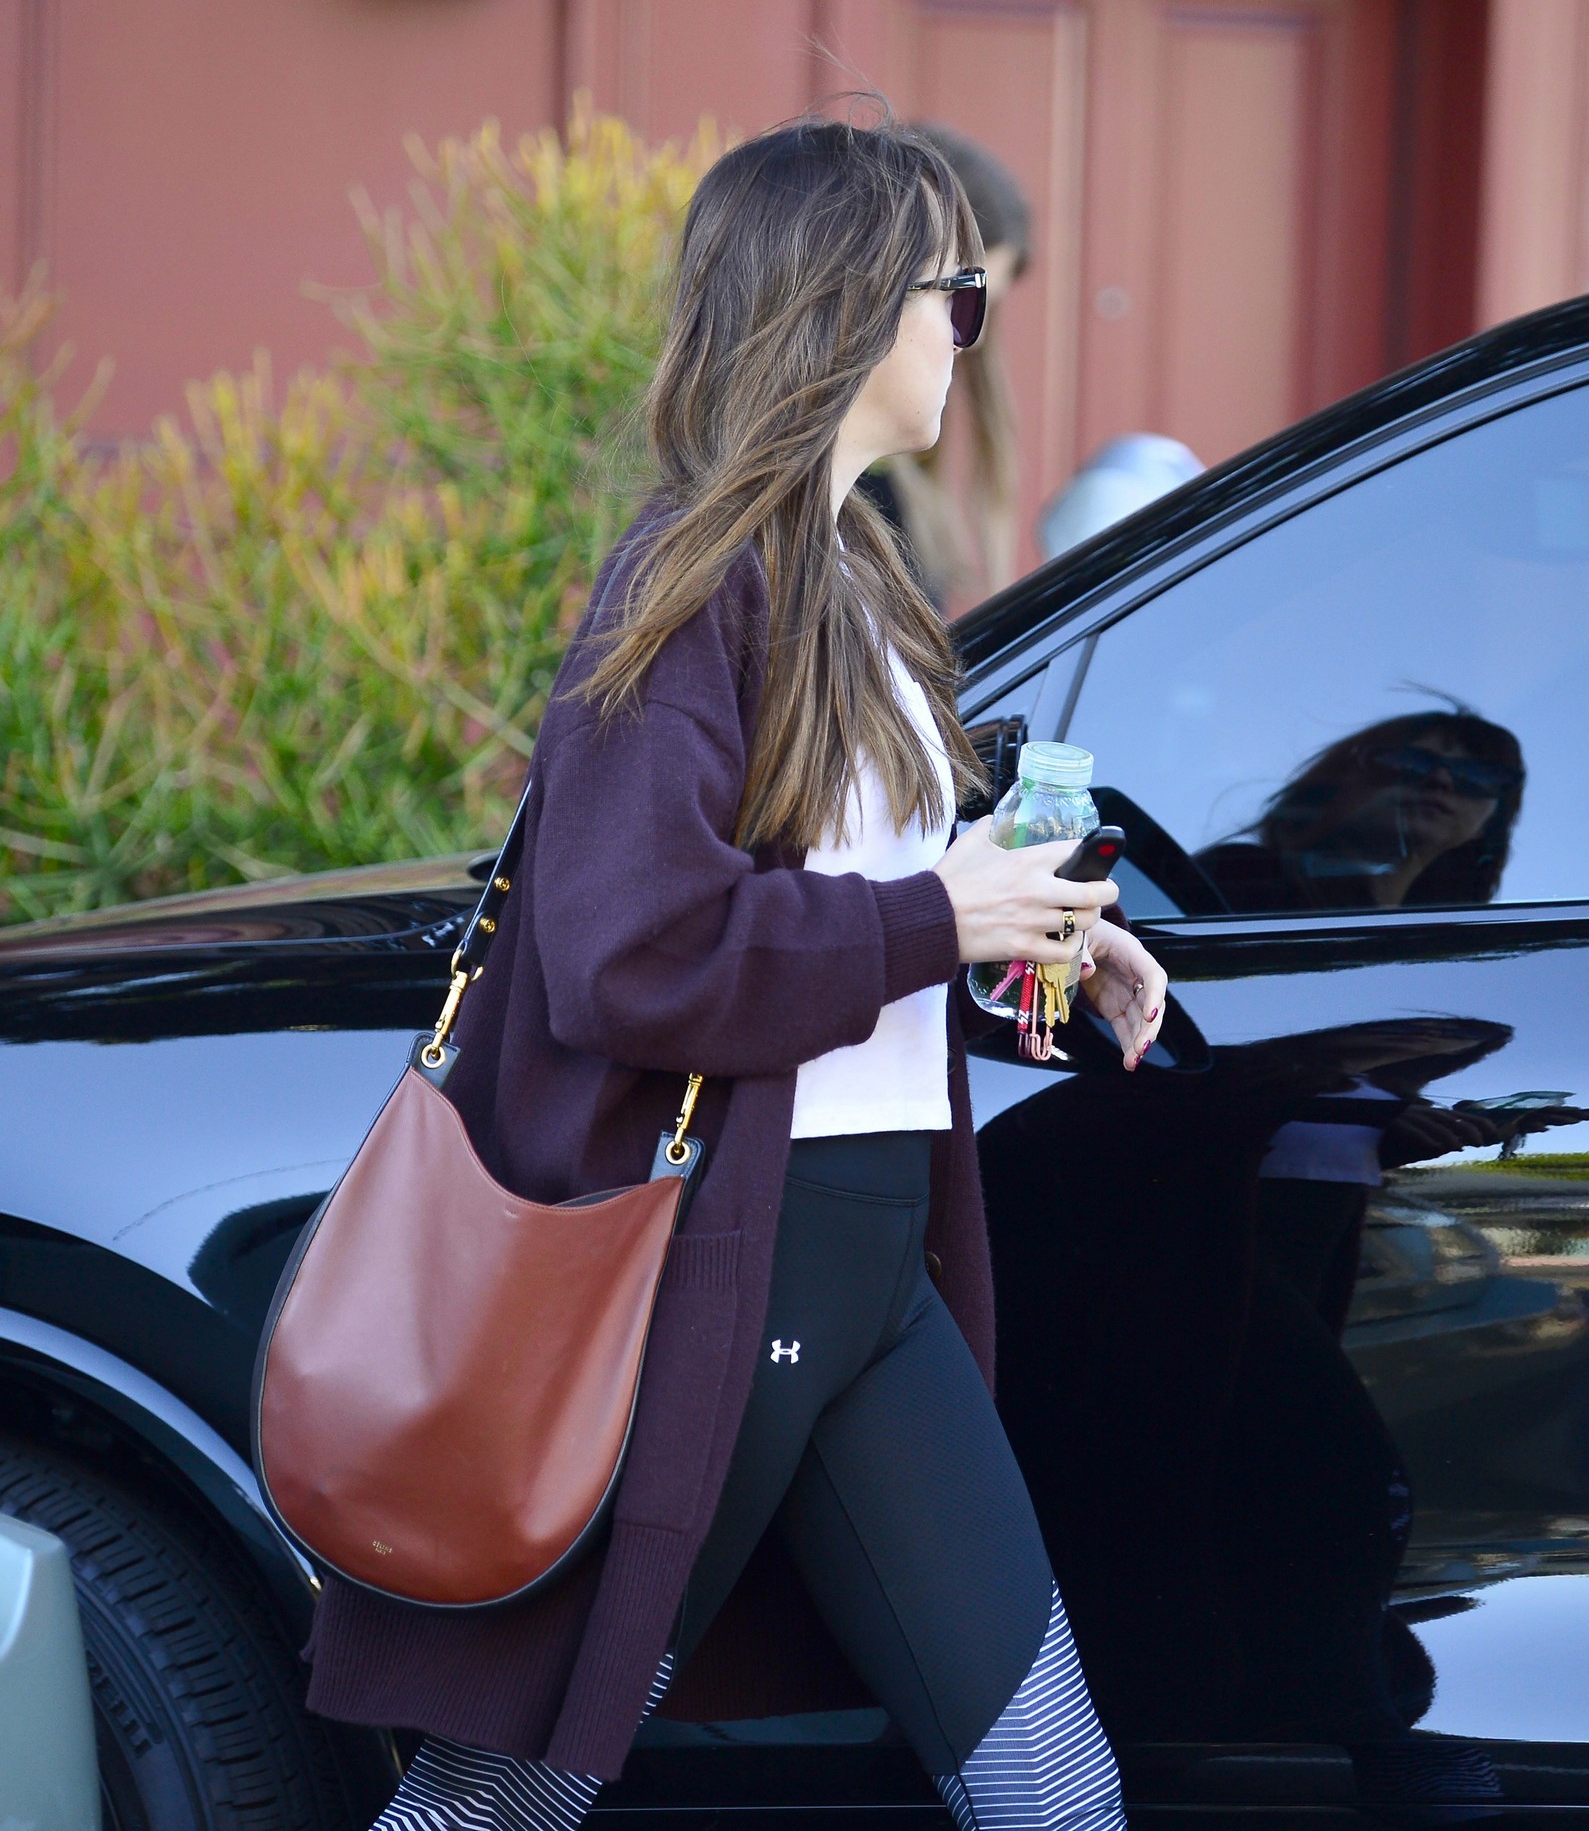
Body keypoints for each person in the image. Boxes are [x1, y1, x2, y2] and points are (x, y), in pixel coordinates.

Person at [304, 113, 1170, 1831]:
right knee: (497, 1803)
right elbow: (632, 953)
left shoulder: (857, 577)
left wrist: (1034, 936)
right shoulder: (694, 579)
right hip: (725, 1262)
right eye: (955, 297)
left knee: (1054, 1785)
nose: (970, 333)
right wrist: (935, 918)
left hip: (868, 1261)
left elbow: (855, 906)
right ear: (846, 308)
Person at [858, 123, 1032, 611]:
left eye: (985, 307)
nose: (968, 341)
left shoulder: (900, 486)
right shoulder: (851, 497)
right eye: (954, 298)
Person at [1196, 707, 1526, 913]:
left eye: (1476, 777)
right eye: (1408, 763)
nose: (1440, 781)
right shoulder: (1241, 877)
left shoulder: (1445, 952)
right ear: (1341, 780)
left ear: (1490, 822)